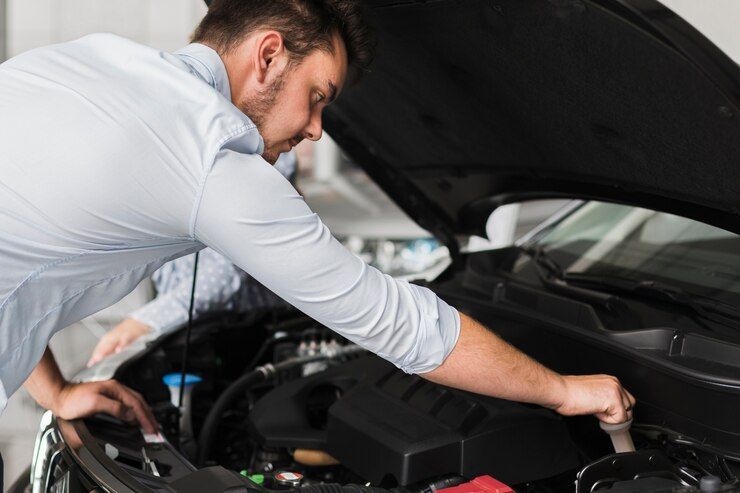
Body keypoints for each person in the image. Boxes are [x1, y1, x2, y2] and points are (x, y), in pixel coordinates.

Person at [0, 0, 634, 463]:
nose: (316, 130)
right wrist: (564, 391)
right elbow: (397, 323)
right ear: (269, 54)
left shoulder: (90, 59)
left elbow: (28, 247)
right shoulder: (211, 158)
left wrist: (54, 388)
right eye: (319, 95)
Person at [86, 154, 296, 368]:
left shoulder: (261, 150)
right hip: (187, 327)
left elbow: (227, 270)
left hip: (253, 332)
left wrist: (143, 321)